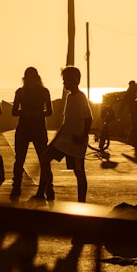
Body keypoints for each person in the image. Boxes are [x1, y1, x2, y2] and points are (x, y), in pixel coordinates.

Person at [43, 66, 93, 202]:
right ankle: (47, 189)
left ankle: (81, 201)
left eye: (65, 80)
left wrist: (82, 137)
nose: (64, 82)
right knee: (45, 158)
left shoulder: (80, 97)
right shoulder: (70, 97)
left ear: (74, 80)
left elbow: (89, 119)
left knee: (79, 171)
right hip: (64, 140)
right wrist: (54, 141)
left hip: (75, 142)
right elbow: (65, 123)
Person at [9, 66, 53, 200]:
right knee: (19, 159)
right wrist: (25, 113)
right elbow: (14, 111)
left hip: (39, 128)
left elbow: (50, 112)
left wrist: (38, 113)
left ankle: (48, 188)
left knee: (44, 160)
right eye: (28, 78)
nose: (31, 81)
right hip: (24, 128)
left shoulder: (44, 92)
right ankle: (17, 186)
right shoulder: (20, 92)